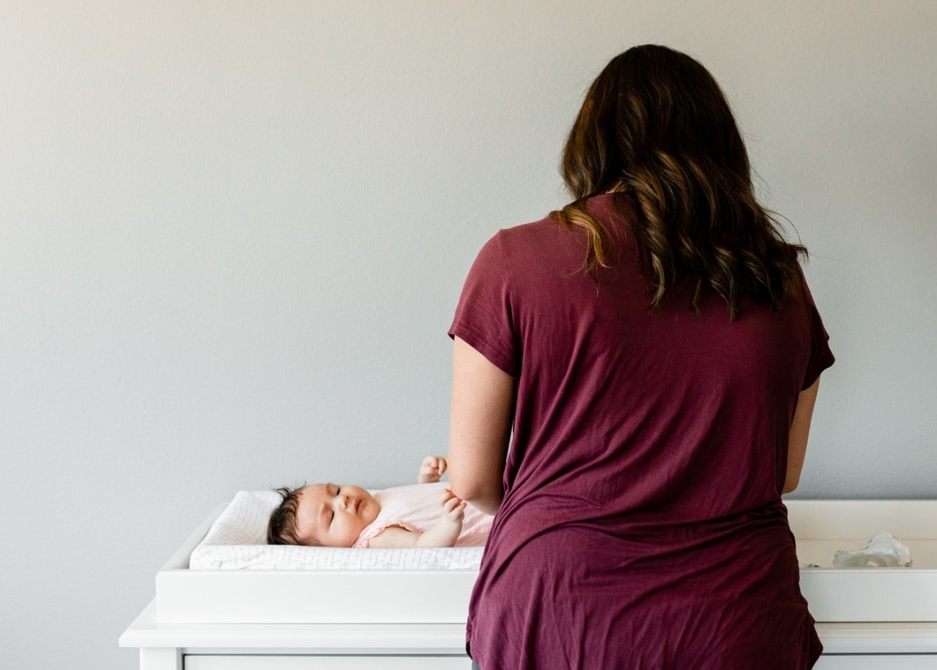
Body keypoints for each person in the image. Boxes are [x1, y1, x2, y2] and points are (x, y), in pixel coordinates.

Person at [445, 44, 834, 669]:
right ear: (721, 147)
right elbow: (781, 472)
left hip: (559, 609)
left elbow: (471, 480)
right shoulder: (777, 279)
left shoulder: (514, 262)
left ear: (592, 144)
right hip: (734, 621)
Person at [266, 456, 493, 548]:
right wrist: (449, 523)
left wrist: (427, 480)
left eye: (335, 490)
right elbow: (421, 545)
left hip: (483, 492)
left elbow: (417, 508)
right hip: (484, 517)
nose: (342, 500)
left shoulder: (377, 499)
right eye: (332, 516)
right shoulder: (376, 536)